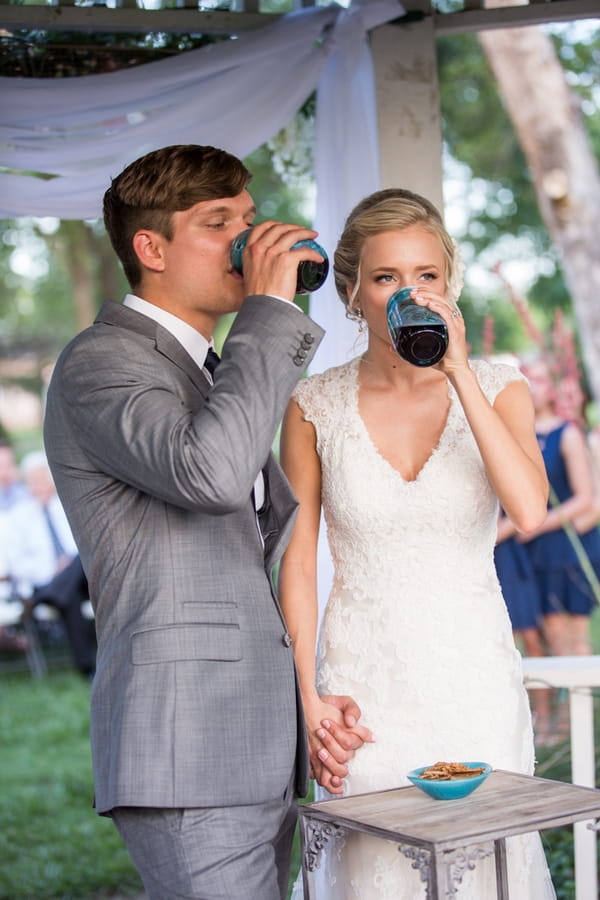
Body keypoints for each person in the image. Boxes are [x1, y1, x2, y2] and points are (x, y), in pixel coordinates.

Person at [42, 144, 368, 900]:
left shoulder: (212, 371)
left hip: (256, 739)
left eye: (247, 221)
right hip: (187, 745)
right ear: (150, 248)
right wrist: (270, 311)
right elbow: (211, 475)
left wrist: (308, 702)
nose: (249, 242)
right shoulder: (101, 362)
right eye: (217, 223)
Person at [280, 188, 555, 898]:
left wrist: (459, 370)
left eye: (426, 275)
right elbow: (299, 562)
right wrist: (309, 696)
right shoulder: (314, 406)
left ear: (448, 283)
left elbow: (528, 510)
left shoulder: (501, 387)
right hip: (362, 692)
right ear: (352, 293)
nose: (411, 292)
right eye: (387, 277)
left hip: (473, 683)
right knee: (373, 873)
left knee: (486, 871)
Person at [6, 450, 96, 678]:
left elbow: (90, 543)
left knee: (78, 561)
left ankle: (55, 594)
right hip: (46, 580)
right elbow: (17, 564)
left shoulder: (72, 506)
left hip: (84, 577)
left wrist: (66, 566)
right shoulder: (19, 517)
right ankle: (87, 666)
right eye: (33, 480)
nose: (38, 485)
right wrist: (52, 569)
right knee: (69, 594)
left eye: (43, 479)